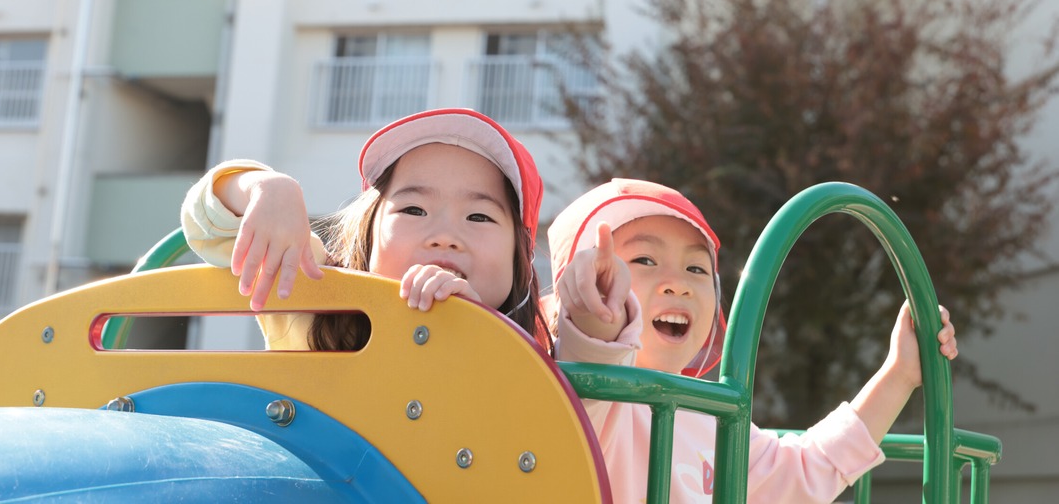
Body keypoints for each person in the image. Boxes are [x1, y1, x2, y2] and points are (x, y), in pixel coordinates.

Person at [550, 178, 959, 503]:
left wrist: (899, 374)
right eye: (643, 260)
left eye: (696, 267)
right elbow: (590, 356)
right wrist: (594, 312)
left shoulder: (714, 416)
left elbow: (805, 471)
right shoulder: (594, 403)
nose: (678, 284)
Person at [181, 108, 551, 351]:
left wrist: (473, 334)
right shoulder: (314, 295)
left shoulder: (532, 367)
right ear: (369, 231)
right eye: (413, 209)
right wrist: (265, 189)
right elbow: (208, 225)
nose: (444, 235)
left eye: (478, 216)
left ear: (520, 256)